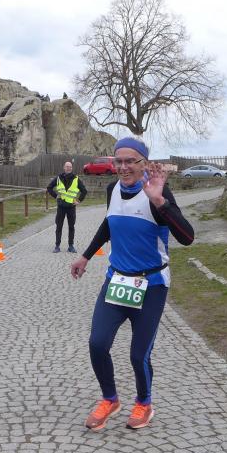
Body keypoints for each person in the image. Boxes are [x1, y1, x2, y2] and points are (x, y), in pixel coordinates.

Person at [70, 137, 194, 430]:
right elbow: (110, 223)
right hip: (118, 280)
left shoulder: (157, 192)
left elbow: (187, 237)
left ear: (143, 163)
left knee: (139, 354)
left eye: (131, 161)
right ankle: (110, 399)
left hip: (151, 284)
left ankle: (144, 403)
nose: (124, 167)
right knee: (97, 344)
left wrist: (160, 201)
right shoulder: (112, 189)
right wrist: (86, 256)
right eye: (119, 161)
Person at [47, 161, 87, 253]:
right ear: (64, 168)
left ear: (72, 168)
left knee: (71, 227)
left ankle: (71, 246)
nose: (68, 168)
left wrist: (78, 200)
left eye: (70, 167)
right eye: (67, 166)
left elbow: (84, 191)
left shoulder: (76, 179)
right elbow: (49, 187)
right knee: (59, 226)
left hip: (71, 207)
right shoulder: (58, 178)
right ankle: (57, 246)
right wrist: (55, 196)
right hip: (61, 206)